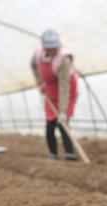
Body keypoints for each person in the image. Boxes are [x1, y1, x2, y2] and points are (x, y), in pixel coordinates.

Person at [30, 29, 78, 160]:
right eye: (49, 48)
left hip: (66, 88)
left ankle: (70, 154)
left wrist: (63, 111)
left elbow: (64, 86)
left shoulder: (64, 59)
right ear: (44, 48)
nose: (53, 50)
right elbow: (33, 66)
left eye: (55, 47)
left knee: (62, 122)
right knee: (50, 123)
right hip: (50, 88)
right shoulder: (38, 53)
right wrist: (40, 83)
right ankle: (53, 154)